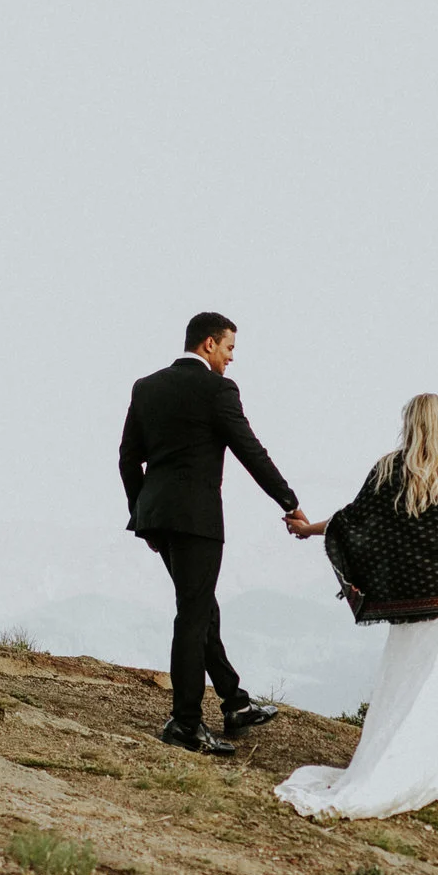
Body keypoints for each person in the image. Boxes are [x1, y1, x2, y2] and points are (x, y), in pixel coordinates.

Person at [275, 394, 438, 819]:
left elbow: (352, 522)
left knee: (408, 686)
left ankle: (400, 761)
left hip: (410, 603)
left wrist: (309, 529)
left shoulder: (386, 473)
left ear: (409, 425)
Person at [118, 313, 315, 754]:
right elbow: (250, 450)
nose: (231, 360)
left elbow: (128, 459)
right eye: (229, 349)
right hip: (197, 519)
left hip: (158, 515)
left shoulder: (145, 386)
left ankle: (235, 703)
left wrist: (142, 514)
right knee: (192, 615)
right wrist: (289, 502)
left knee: (201, 606)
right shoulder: (217, 390)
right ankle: (185, 723)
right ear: (209, 344)